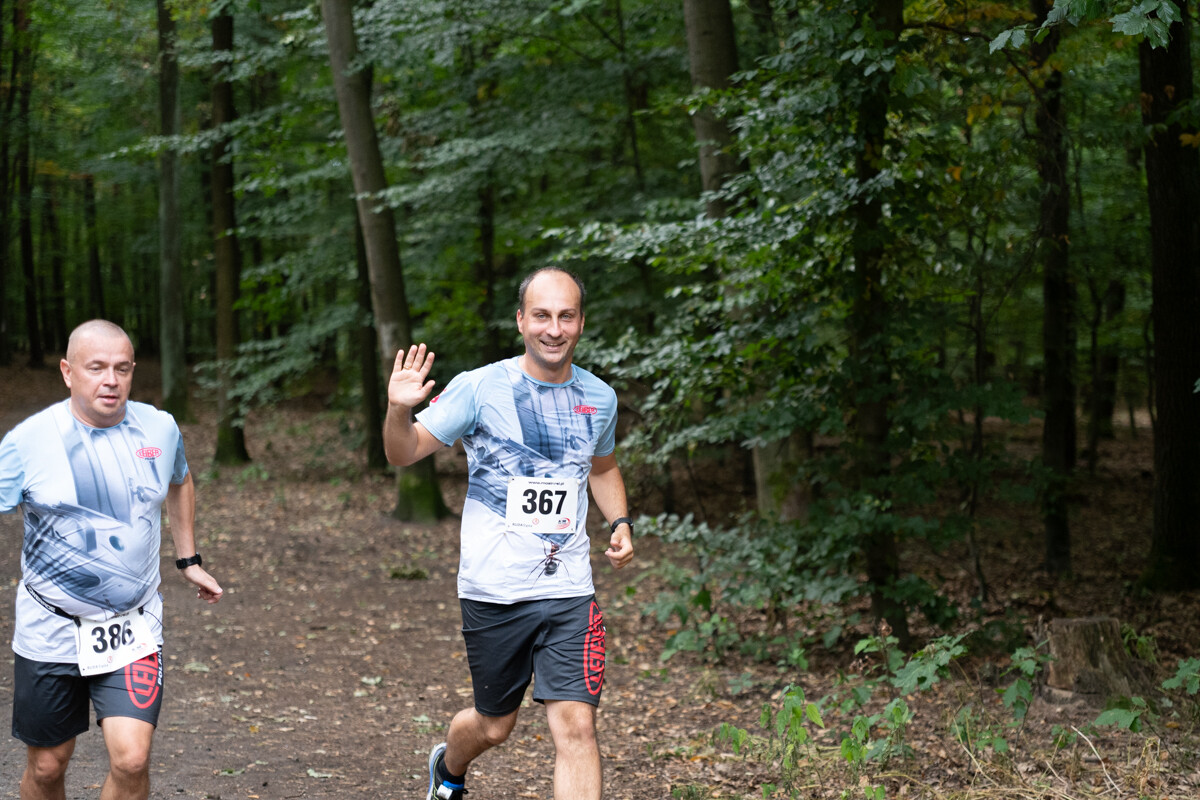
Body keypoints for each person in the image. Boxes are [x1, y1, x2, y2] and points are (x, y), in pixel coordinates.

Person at [384, 267, 635, 800]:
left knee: (577, 726)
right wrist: (396, 410)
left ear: (581, 324)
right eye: (541, 315)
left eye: (566, 316)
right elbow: (402, 453)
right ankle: (448, 768)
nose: (554, 328)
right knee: (495, 725)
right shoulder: (479, 387)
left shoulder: (599, 397)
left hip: (569, 589)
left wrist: (619, 522)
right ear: (520, 320)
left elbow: (602, 466)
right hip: (494, 590)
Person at [0, 319, 223, 800]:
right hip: (50, 626)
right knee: (46, 766)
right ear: (67, 372)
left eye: (122, 369)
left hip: (133, 625)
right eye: (96, 367)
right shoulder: (28, 443)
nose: (111, 380)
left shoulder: (159, 428)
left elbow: (180, 480)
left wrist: (188, 559)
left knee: (132, 758)